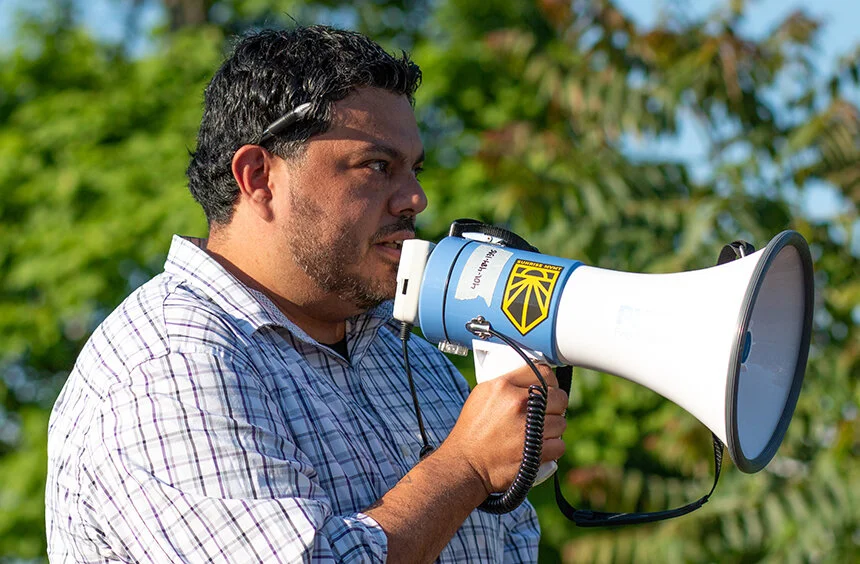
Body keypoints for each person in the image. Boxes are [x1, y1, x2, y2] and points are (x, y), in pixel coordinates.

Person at [46, 25, 568, 563]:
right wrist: (466, 467)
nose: (416, 198)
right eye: (377, 166)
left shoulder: (410, 355)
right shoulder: (170, 362)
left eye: (414, 170)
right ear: (258, 177)